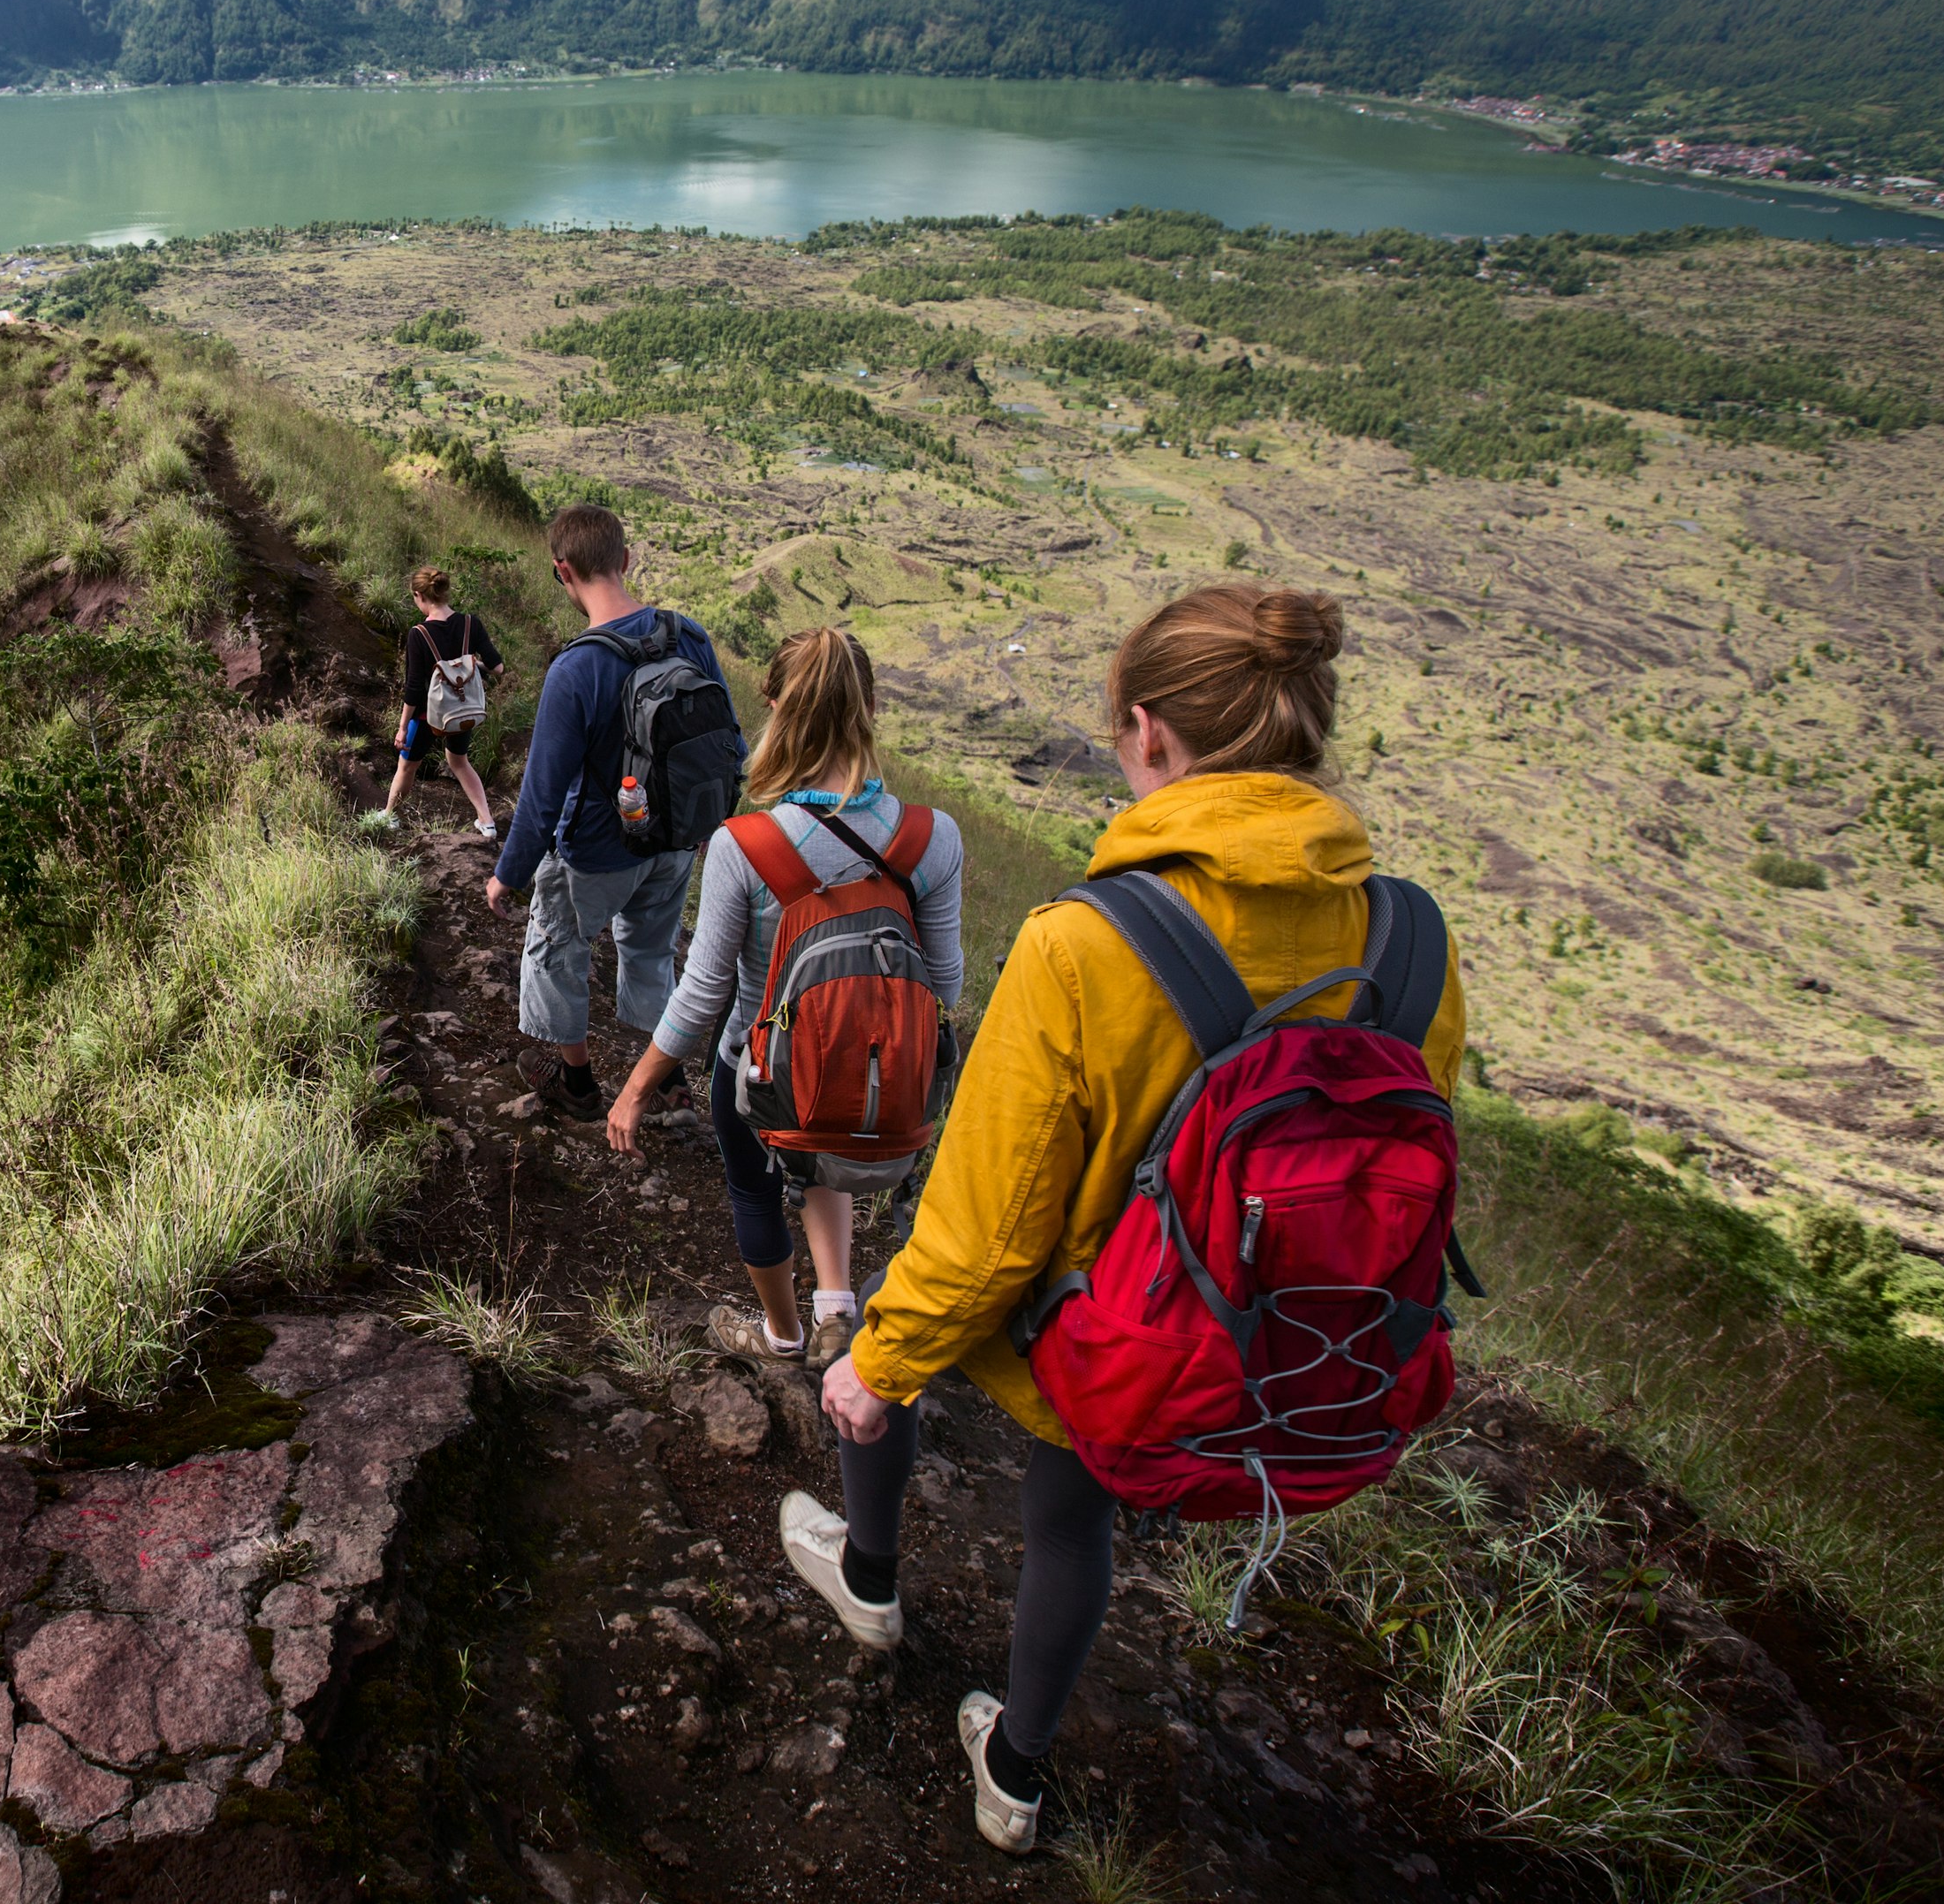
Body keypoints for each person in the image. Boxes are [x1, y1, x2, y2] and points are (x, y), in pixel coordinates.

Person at [801, 583, 1468, 1855]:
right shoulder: (1413, 942)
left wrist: (879, 1369)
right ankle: (1017, 1772)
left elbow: (987, 1228)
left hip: (1108, 1347)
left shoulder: (1085, 946)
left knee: (906, 1343)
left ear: (1149, 734)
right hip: (1278, 1348)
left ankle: (871, 1580)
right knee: (1073, 1520)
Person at [604, 627, 962, 1376]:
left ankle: (783, 1333)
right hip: (874, 1078)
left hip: (759, 1073)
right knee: (826, 1150)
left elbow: (703, 993)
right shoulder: (934, 839)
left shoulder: (747, 843)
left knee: (756, 1190)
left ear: (773, 707)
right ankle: (839, 1305)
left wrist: (635, 1088)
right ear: (872, 707)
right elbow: (948, 986)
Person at [484, 504, 731, 1119]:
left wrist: (508, 875)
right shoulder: (689, 636)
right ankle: (667, 1083)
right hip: (675, 844)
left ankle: (576, 1082)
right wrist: (706, 825)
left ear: (561, 571)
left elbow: (543, 796)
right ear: (625, 559)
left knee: (556, 947)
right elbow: (730, 747)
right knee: (650, 951)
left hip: (597, 853)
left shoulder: (577, 669)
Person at [382, 565, 505, 838]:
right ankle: (487, 822)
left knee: (407, 765)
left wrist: (402, 727)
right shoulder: (471, 623)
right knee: (459, 761)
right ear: (445, 592)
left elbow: (414, 687)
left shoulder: (419, 634)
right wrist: (470, 665)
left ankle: (389, 816)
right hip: (464, 711)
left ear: (419, 595)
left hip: (429, 716)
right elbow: (498, 668)